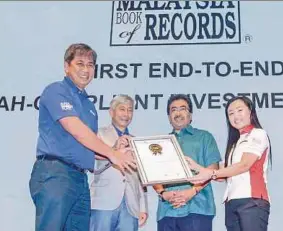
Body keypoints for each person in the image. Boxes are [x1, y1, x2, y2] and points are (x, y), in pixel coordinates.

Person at [29, 43, 136, 231]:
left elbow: (90, 145)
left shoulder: (89, 106)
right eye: (80, 63)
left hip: (80, 180)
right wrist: (113, 154)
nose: (86, 70)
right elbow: (76, 129)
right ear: (66, 66)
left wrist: (114, 153)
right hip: (55, 174)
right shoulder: (56, 90)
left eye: (90, 65)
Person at [186, 96, 271, 231]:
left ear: (250, 111)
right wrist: (198, 168)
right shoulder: (235, 143)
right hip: (232, 202)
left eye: (239, 110)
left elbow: (244, 165)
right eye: (231, 113)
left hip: (252, 201)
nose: (235, 116)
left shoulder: (258, 134)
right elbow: (223, 172)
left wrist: (211, 173)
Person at [153, 94, 222, 231]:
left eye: (182, 109)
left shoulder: (204, 137)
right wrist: (163, 193)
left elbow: (213, 168)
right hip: (167, 210)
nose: (178, 113)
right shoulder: (160, 143)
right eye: (173, 110)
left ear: (190, 115)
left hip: (198, 208)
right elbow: (153, 175)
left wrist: (192, 190)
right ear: (169, 117)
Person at [90, 94, 148, 231]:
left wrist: (143, 207)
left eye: (130, 110)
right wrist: (113, 150)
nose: (126, 114)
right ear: (111, 112)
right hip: (103, 202)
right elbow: (91, 167)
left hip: (131, 206)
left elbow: (141, 178)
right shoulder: (98, 134)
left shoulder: (137, 142)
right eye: (122, 109)